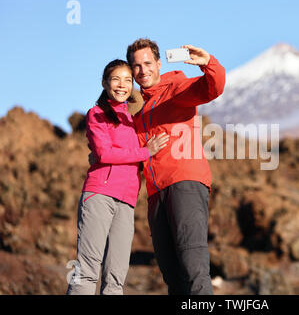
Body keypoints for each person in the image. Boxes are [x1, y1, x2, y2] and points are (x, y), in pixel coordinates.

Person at [126, 39, 226, 295]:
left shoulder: (176, 88)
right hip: (155, 194)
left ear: (159, 64)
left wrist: (209, 64)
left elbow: (212, 88)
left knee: (194, 269)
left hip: (185, 183)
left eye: (148, 63)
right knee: (172, 276)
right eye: (136, 66)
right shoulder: (138, 111)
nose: (143, 70)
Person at [67, 59, 169, 295]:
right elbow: (103, 153)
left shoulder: (132, 122)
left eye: (127, 80)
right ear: (104, 83)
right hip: (100, 195)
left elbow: (136, 158)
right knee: (87, 270)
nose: (122, 85)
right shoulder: (97, 114)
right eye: (116, 79)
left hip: (127, 202)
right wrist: (146, 151)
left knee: (116, 277)